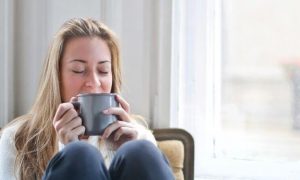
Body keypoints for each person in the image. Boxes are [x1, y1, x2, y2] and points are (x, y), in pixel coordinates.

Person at [0, 18, 174, 180]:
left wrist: (123, 151)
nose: (94, 82)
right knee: (80, 154)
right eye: (78, 70)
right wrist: (66, 149)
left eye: (104, 71)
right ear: (56, 77)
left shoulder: (138, 135)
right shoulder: (16, 139)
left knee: (141, 151)